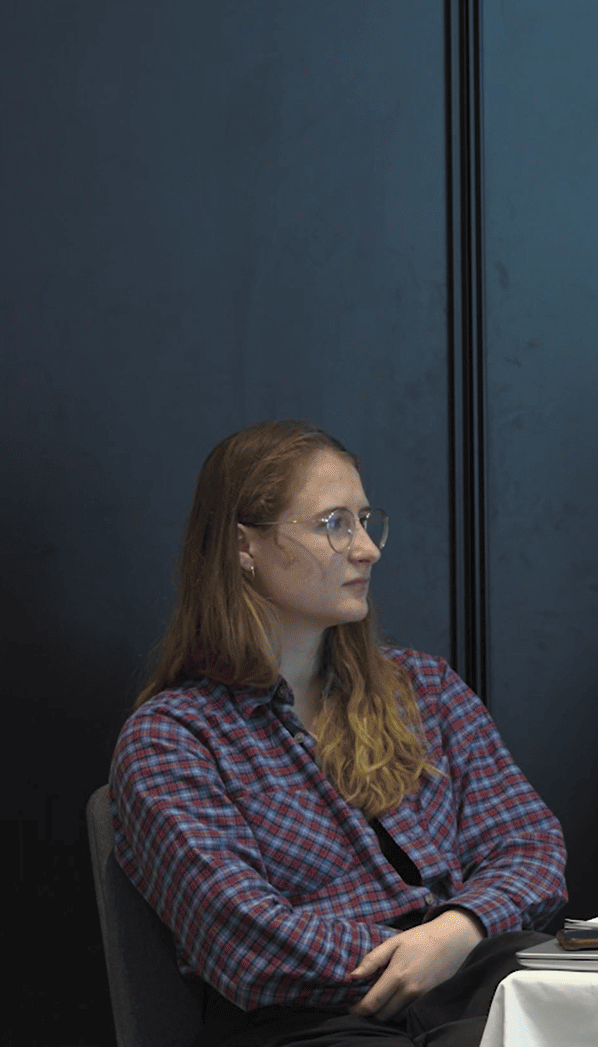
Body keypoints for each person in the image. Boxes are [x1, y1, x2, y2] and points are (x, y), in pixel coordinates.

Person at [111, 421, 566, 1047]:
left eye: (365, 521)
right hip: (312, 1023)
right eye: (334, 524)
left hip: (470, 977)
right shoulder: (174, 739)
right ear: (245, 546)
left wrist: (458, 930)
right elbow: (249, 940)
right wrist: (415, 959)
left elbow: (530, 846)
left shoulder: (423, 689)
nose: (367, 549)